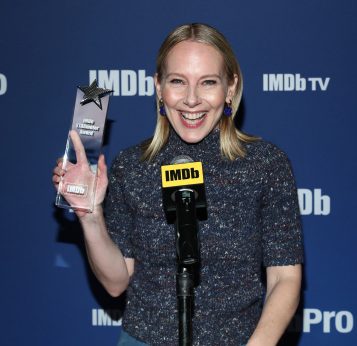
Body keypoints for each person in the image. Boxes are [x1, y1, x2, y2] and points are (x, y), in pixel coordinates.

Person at [53, 23, 303, 346]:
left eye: (208, 82)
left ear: (230, 88)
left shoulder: (267, 166)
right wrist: (91, 215)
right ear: (159, 87)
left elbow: (285, 277)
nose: (191, 99)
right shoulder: (132, 167)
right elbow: (116, 282)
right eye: (177, 82)